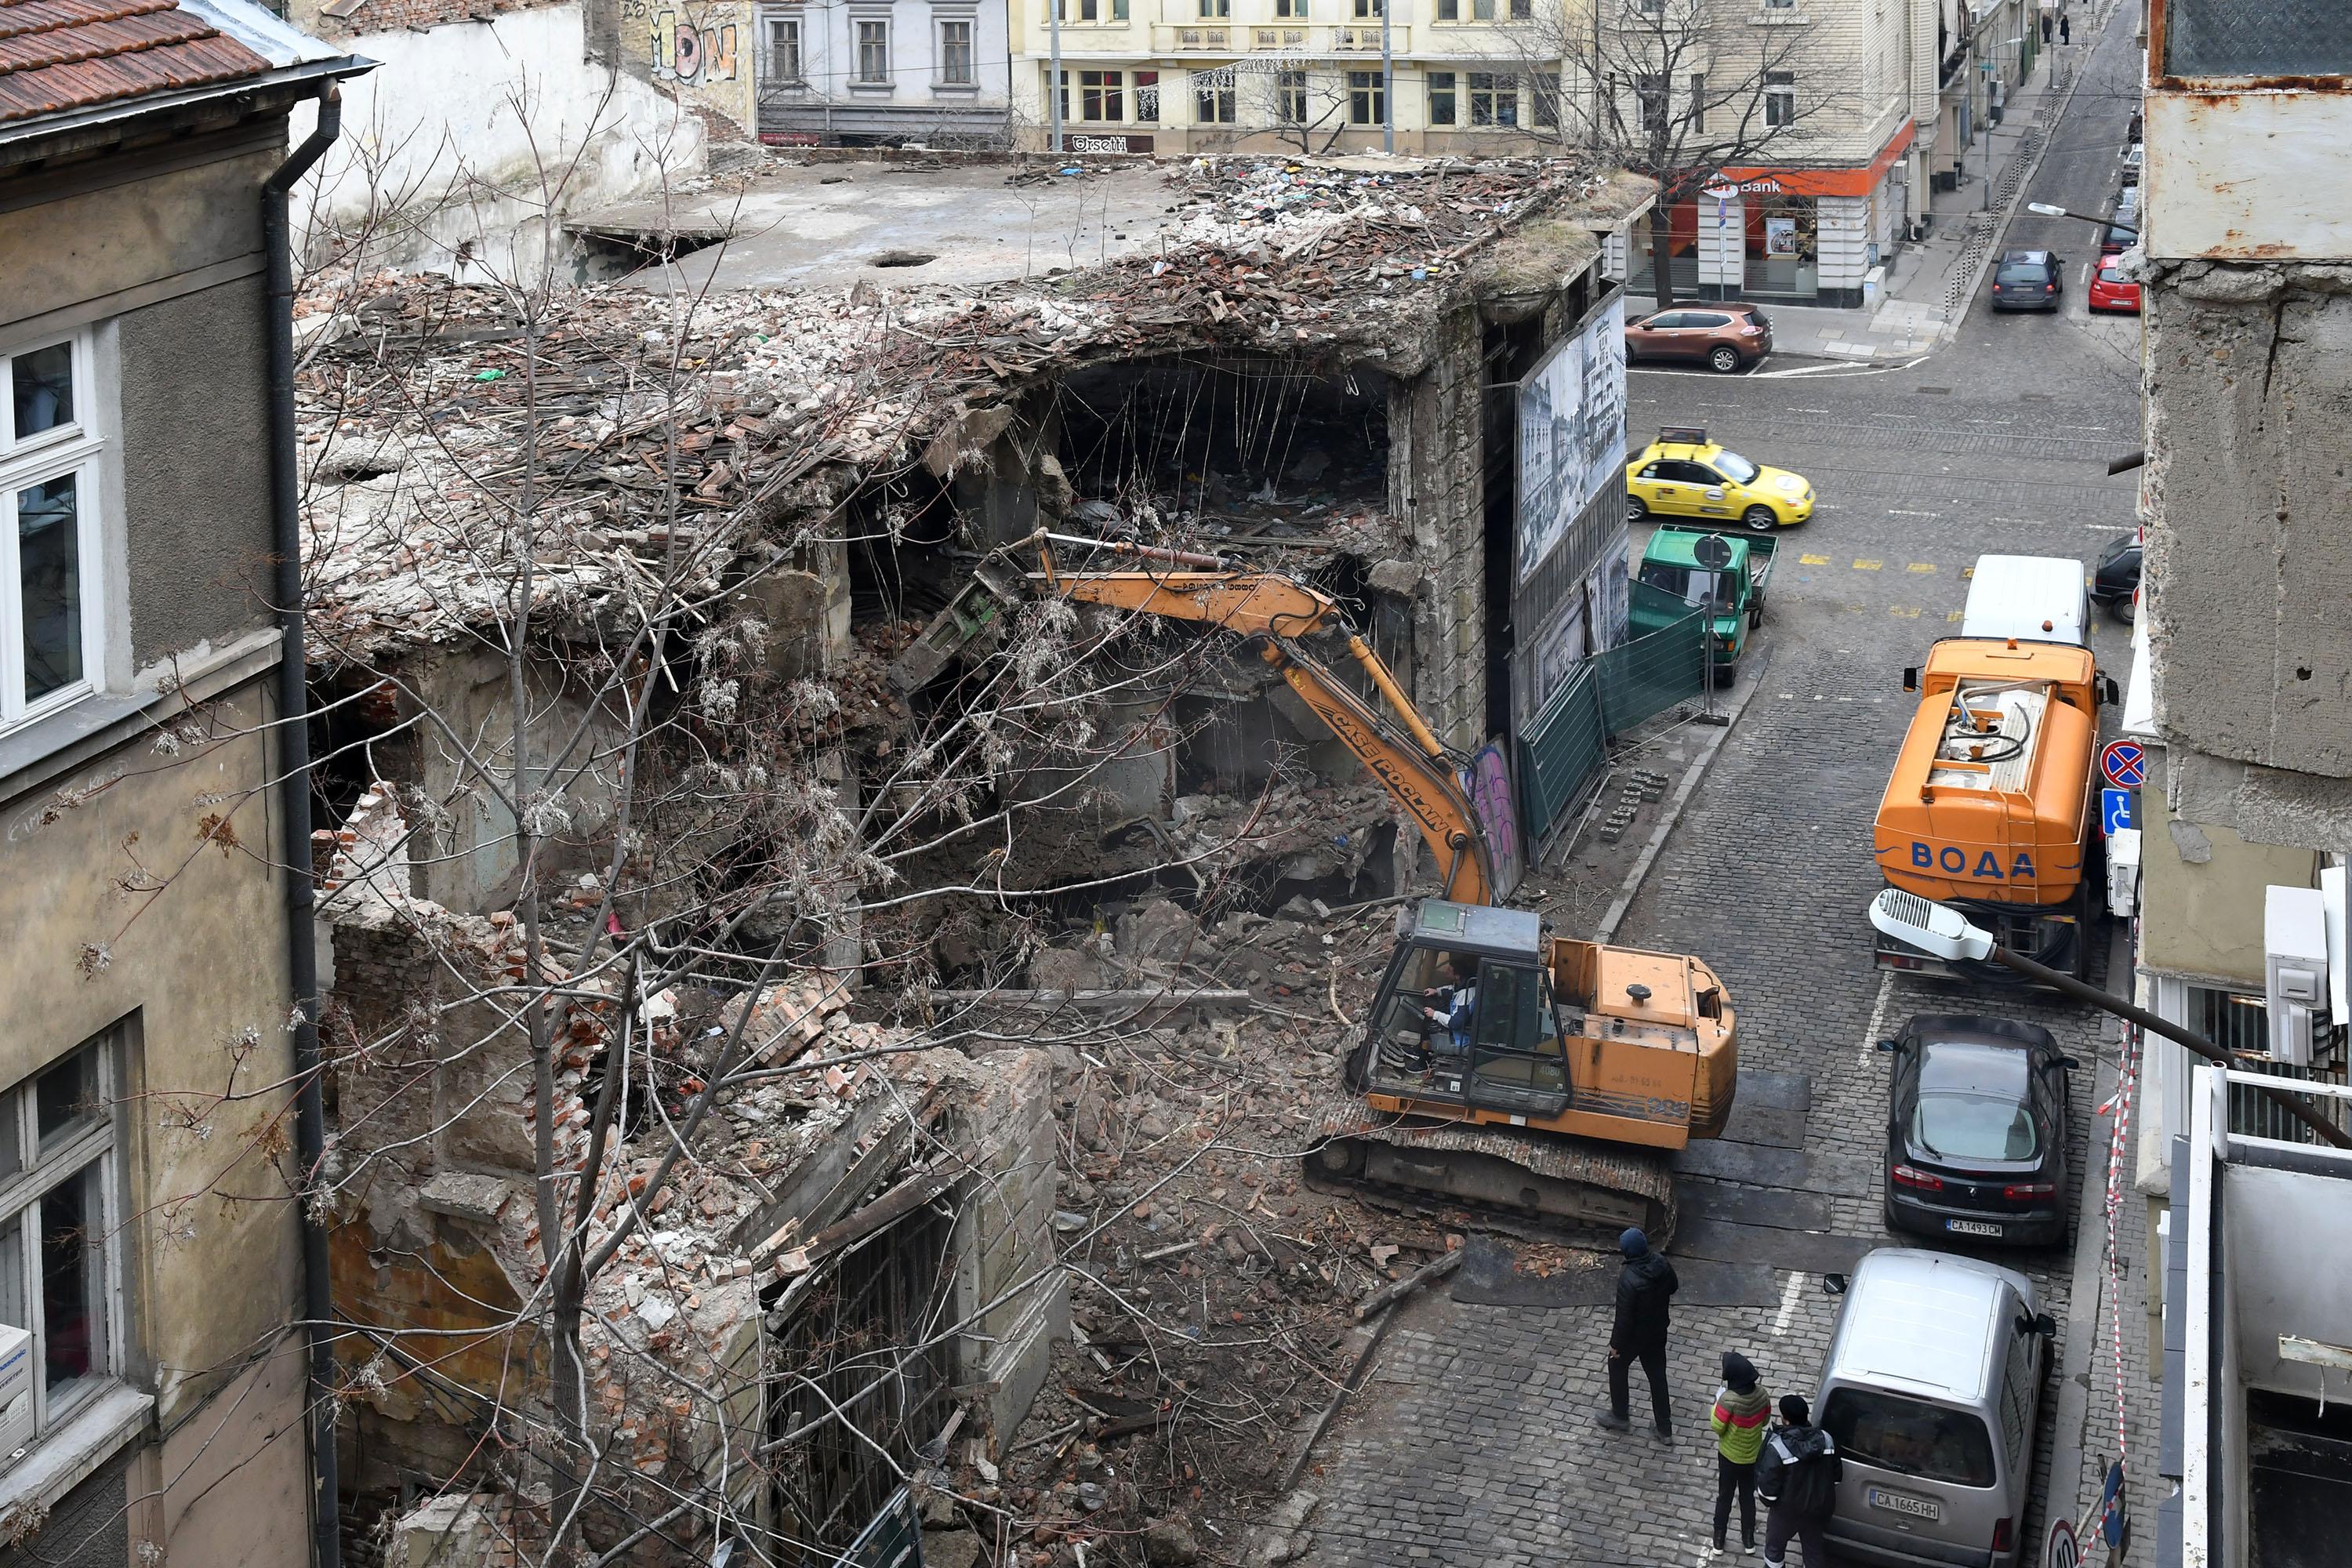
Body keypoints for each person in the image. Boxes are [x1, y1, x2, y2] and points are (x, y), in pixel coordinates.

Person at [1596, 1227, 1679, 1439]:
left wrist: (1616, 1345)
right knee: (1657, 1376)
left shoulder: (1629, 1279)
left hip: (1635, 1337)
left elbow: (1623, 1319)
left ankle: (1620, 1415)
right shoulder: (1661, 1263)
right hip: (1658, 1330)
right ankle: (1664, 1428)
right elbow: (1673, 1286)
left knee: (1616, 1364)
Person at [1755, 1394, 1842, 1568]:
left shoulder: (1778, 1448)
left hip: (1786, 1513)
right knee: (1813, 1553)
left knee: (1774, 1550)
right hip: (1817, 1510)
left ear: (1786, 1421)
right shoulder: (1826, 1439)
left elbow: (1768, 1493)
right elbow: (1836, 1477)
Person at [1711, 1352, 1772, 1555]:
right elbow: (1764, 1421)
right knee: (1747, 1497)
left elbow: (1718, 1426)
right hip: (1752, 1457)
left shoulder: (1728, 1400)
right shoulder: (1762, 1395)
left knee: (1724, 1497)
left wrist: (1716, 1404)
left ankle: (1719, 1539)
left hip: (1729, 1457)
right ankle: (1748, 1539)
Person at [1419, 955, 1477, 1061]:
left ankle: (1423, 1060)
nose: (1446, 972)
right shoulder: (1463, 985)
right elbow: (1453, 990)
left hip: (1461, 1039)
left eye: (1449, 971)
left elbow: (1456, 1023)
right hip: (1460, 1032)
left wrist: (1435, 1014)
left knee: (1430, 1025)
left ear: (1457, 976)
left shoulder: (1466, 995)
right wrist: (1437, 991)